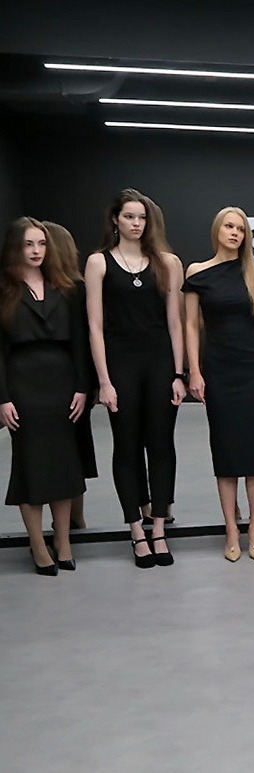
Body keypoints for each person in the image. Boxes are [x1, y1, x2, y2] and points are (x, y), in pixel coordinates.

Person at [84, 190, 185, 568]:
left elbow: (175, 322)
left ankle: (158, 527)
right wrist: (104, 381)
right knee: (126, 447)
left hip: (160, 364)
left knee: (161, 445)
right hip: (121, 365)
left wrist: (179, 373)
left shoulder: (167, 263)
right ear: (115, 219)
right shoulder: (99, 262)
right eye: (129, 216)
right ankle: (136, 531)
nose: (136, 223)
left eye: (141, 217)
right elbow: (95, 326)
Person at [183, 207, 254, 562]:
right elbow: (191, 325)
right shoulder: (197, 273)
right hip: (218, 370)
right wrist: (194, 371)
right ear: (217, 230)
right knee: (225, 452)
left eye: (241, 228)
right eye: (229, 226)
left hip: (252, 368)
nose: (235, 232)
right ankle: (231, 529)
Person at [0, 217, 89, 575]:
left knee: (64, 465)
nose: (36, 251)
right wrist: (3, 397)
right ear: (15, 248)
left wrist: (82, 386)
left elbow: (80, 341)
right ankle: (38, 545)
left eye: (41, 244)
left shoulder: (65, 286)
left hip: (62, 384)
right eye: (29, 244)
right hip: (22, 386)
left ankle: (63, 541)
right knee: (31, 466)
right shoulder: (4, 289)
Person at [43, 222, 97, 531]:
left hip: (73, 382)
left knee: (73, 451)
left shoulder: (76, 289)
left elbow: (85, 340)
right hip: (46, 382)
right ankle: (69, 520)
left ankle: (74, 519)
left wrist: (86, 385)